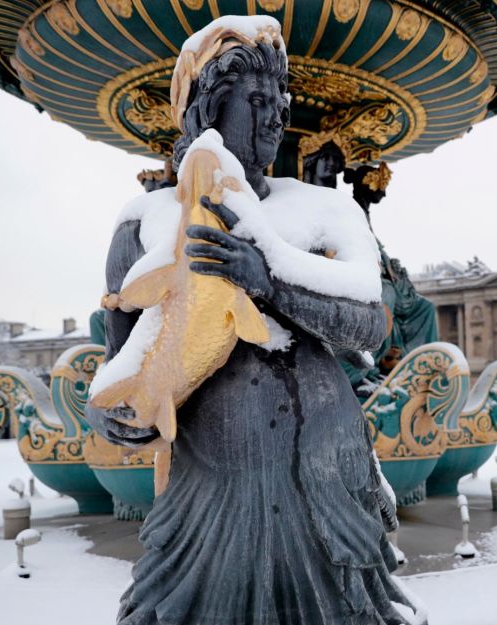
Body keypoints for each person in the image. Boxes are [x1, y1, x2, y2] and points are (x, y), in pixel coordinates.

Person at [85, 16, 422, 624]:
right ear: (209, 108)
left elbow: (371, 328)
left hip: (328, 471)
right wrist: (118, 416)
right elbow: (119, 369)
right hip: (212, 491)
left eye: (280, 103)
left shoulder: (326, 212)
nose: (274, 118)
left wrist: (269, 281)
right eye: (258, 101)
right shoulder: (143, 224)